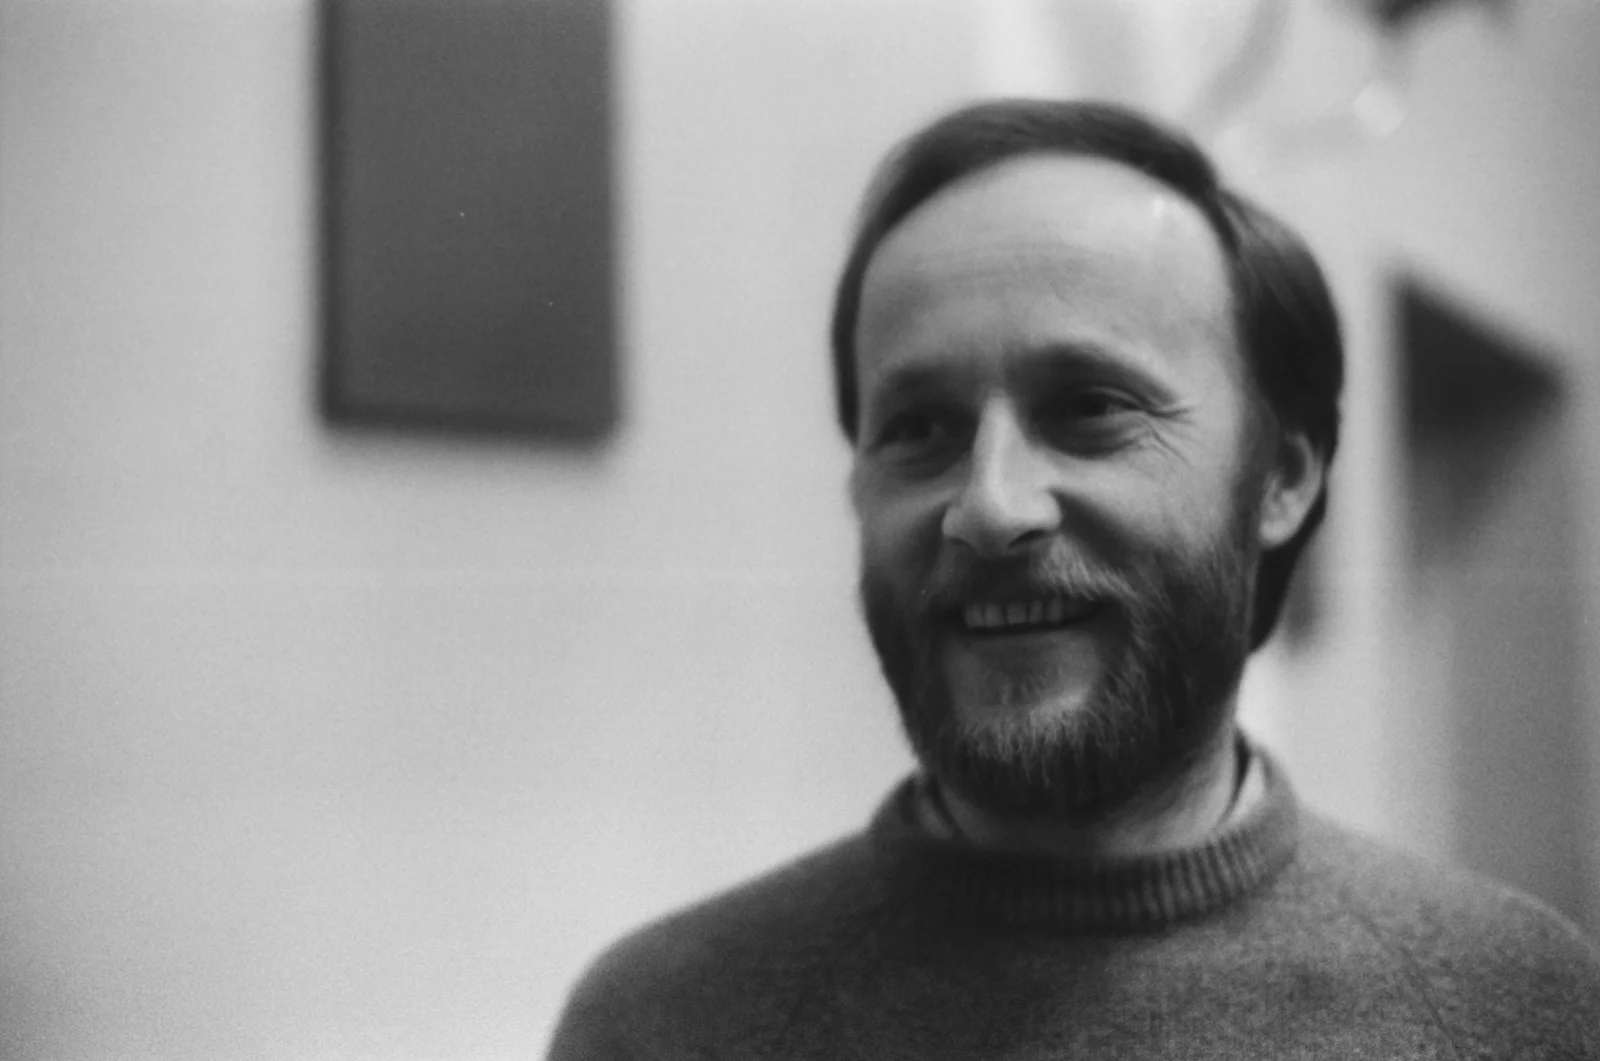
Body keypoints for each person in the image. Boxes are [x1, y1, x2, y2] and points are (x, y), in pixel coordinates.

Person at [547, 99, 1600, 1058]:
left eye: (1090, 407)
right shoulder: (662, 1022)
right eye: (919, 428)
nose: (990, 506)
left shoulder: (1510, 1006)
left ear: (1279, 478)